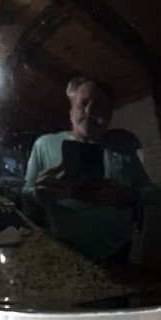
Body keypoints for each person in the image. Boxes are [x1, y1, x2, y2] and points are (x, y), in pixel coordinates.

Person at [23, 77, 151, 263]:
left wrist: (127, 195)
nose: (89, 112)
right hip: (64, 249)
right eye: (83, 103)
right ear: (71, 111)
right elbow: (25, 192)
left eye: (98, 105)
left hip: (117, 251)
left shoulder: (124, 150)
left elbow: (152, 193)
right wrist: (38, 193)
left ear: (108, 115)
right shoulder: (43, 144)